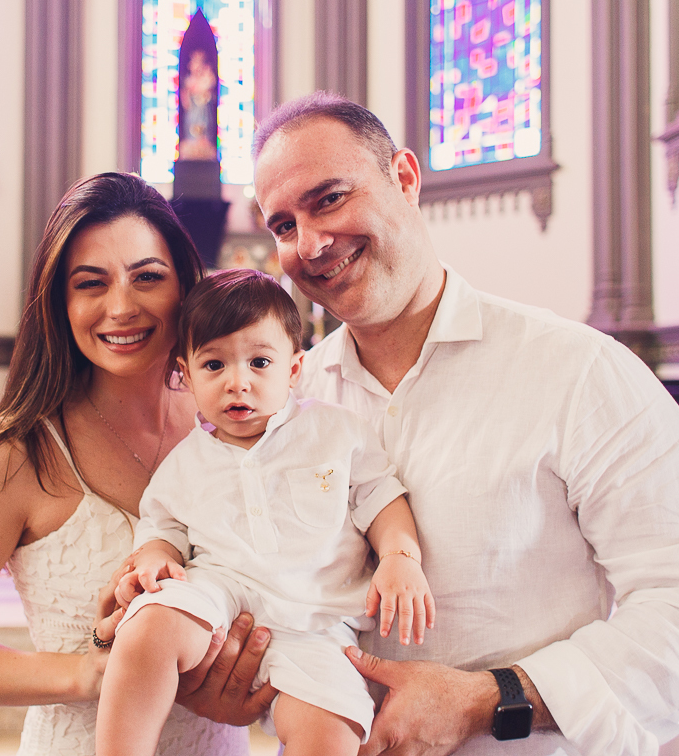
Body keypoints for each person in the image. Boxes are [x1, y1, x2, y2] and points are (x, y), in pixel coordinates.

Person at [247, 93, 679, 756]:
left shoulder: (579, 372)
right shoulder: (288, 409)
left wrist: (487, 700)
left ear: (405, 177)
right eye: (283, 226)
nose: (311, 244)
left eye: (329, 199)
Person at [0, 173, 258, 756]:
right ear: (58, 303)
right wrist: (85, 674)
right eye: (91, 284)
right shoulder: (17, 452)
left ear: (185, 287)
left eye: (147, 277)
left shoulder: (228, 421)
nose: (121, 307)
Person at [95, 269, 435, 756]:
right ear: (185, 374)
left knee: (332, 736)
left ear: (293, 370)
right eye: (214, 365)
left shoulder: (335, 431)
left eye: (259, 362)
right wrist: (153, 556)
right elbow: (162, 526)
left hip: (320, 624)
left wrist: (401, 556)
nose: (238, 383)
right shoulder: (183, 463)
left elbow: (381, 500)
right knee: (147, 627)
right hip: (220, 596)